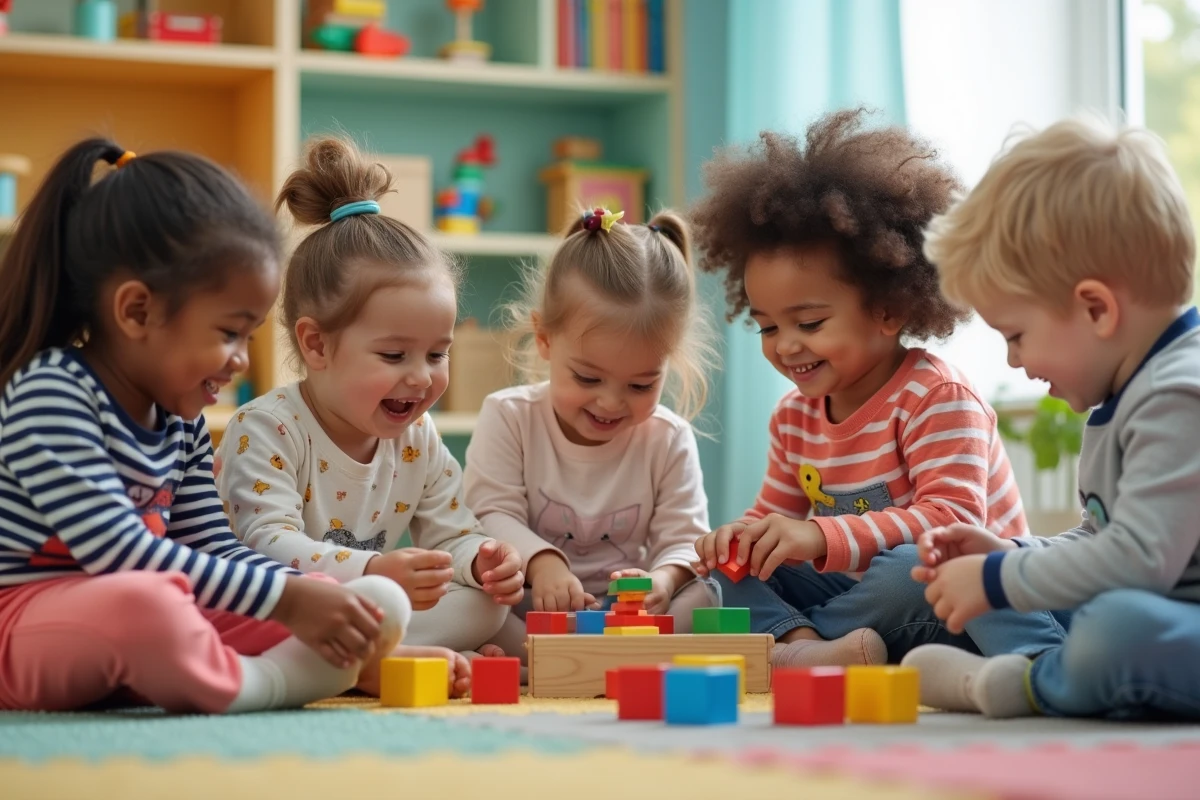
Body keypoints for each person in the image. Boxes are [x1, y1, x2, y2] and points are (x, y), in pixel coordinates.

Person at [0, 138, 409, 713]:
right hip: (24, 621)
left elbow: (213, 547)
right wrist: (286, 603)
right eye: (229, 333)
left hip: (136, 612)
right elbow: (118, 553)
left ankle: (310, 663)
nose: (241, 360)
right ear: (138, 311)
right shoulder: (51, 393)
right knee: (149, 609)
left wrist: (309, 598)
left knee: (367, 600)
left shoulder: (180, 420)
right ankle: (264, 683)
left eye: (250, 335)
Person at [689, 109, 1062, 668]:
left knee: (909, 567)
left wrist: (820, 537)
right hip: (859, 600)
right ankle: (811, 648)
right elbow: (774, 517)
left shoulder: (937, 398)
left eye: (809, 323)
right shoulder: (794, 416)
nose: (786, 345)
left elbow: (953, 520)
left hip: (959, 602)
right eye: (767, 328)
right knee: (732, 569)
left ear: (888, 309)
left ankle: (792, 644)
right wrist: (740, 539)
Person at [905, 116, 1200, 720]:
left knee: (1118, 627)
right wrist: (1008, 552)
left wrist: (1001, 577)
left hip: (1162, 616)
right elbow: (1102, 539)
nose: (1014, 360)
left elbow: (1140, 559)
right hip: (1163, 606)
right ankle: (1051, 668)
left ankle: (1031, 682)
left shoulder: (1180, 395)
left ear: (1095, 309)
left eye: (1016, 335)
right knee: (1047, 596)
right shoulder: (1127, 391)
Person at [216, 136, 523, 696]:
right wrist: (372, 572)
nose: (422, 377)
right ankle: (368, 657)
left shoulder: (418, 436)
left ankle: (369, 655)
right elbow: (264, 544)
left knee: (487, 606)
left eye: (438, 354)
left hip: (367, 603)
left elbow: (452, 535)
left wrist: (479, 562)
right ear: (316, 345)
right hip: (275, 606)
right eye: (394, 355)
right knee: (251, 614)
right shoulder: (266, 428)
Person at [464, 208, 717, 655]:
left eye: (641, 385)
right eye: (587, 378)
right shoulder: (509, 416)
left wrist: (661, 581)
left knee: (708, 596)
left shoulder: (668, 437)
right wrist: (543, 565)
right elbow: (489, 514)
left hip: (627, 614)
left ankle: (579, 659)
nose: (610, 403)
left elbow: (685, 540)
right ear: (544, 338)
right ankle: (550, 657)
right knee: (470, 595)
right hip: (531, 603)